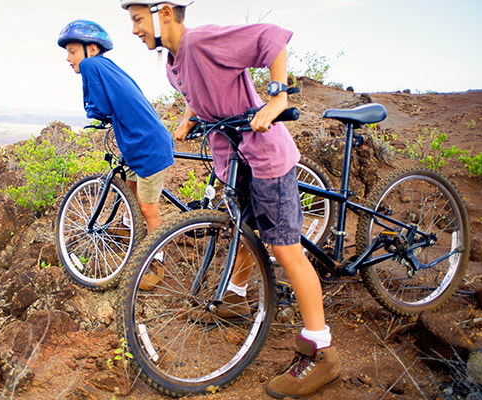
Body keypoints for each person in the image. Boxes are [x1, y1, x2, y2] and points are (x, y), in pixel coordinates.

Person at [119, 1, 340, 398]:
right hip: (234, 159)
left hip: (265, 157)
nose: (134, 29)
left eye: (138, 19)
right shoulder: (173, 60)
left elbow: (271, 38)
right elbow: (201, 87)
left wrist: (277, 98)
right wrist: (190, 115)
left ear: (164, 12)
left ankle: (322, 352)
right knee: (242, 233)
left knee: (284, 249)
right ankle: (236, 299)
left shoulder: (203, 40)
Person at [58, 19, 174, 288]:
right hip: (140, 142)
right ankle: (125, 228)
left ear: (92, 50)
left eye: (72, 51)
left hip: (147, 146)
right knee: (131, 192)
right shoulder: (107, 66)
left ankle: (157, 263)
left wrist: (95, 117)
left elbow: (97, 107)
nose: (68, 58)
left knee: (148, 209)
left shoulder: (91, 65)